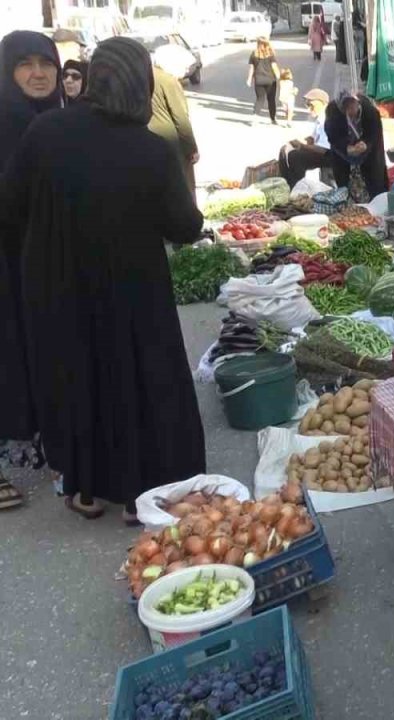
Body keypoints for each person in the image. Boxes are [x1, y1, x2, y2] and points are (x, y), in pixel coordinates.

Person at [0, 37, 206, 523]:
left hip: (57, 287)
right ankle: (141, 497)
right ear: (140, 85)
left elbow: (10, 204)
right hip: (134, 291)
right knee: (138, 380)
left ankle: (88, 491)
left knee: (78, 380)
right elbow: (185, 225)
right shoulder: (149, 149)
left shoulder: (46, 132)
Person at [0, 30, 63, 510]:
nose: (39, 73)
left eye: (46, 63)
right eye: (25, 64)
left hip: (34, 256)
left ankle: (40, 432)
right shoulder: (8, 120)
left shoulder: (52, 119)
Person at [324, 90, 387, 202]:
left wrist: (366, 144)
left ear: (358, 103)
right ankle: (346, 202)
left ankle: (376, 200)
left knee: (374, 181)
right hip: (343, 151)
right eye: (346, 108)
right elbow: (333, 137)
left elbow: (374, 133)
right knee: (343, 182)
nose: (350, 111)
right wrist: (346, 148)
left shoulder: (370, 111)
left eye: (352, 106)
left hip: (369, 150)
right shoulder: (333, 112)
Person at [148, 64, 199, 193]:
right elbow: (181, 118)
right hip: (170, 138)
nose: (185, 71)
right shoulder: (168, 80)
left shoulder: (143, 76)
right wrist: (192, 148)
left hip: (147, 135)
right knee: (183, 181)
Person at [279, 88, 333, 187]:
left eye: (311, 106)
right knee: (284, 151)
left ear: (323, 104)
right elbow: (312, 138)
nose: (308, 109)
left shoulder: (328, 119)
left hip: (330, 155)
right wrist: (299, 141)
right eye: (307, 105)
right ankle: (286, 184)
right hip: (321, 151)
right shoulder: (320, 118)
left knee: (296, 157)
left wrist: (302, 146)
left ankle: (297, 187)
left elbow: (324, 149)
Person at [246, 37, 280, 125]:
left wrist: (249, 79)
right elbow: (274, 67)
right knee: (271, 100)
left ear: (258, 44)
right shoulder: (270, 54)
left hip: (259, 81)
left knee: (260, 99)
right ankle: (273, 119)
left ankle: (255, 117)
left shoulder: (254, 54)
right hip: (270, 81)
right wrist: (279, 76)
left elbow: (251, 68)